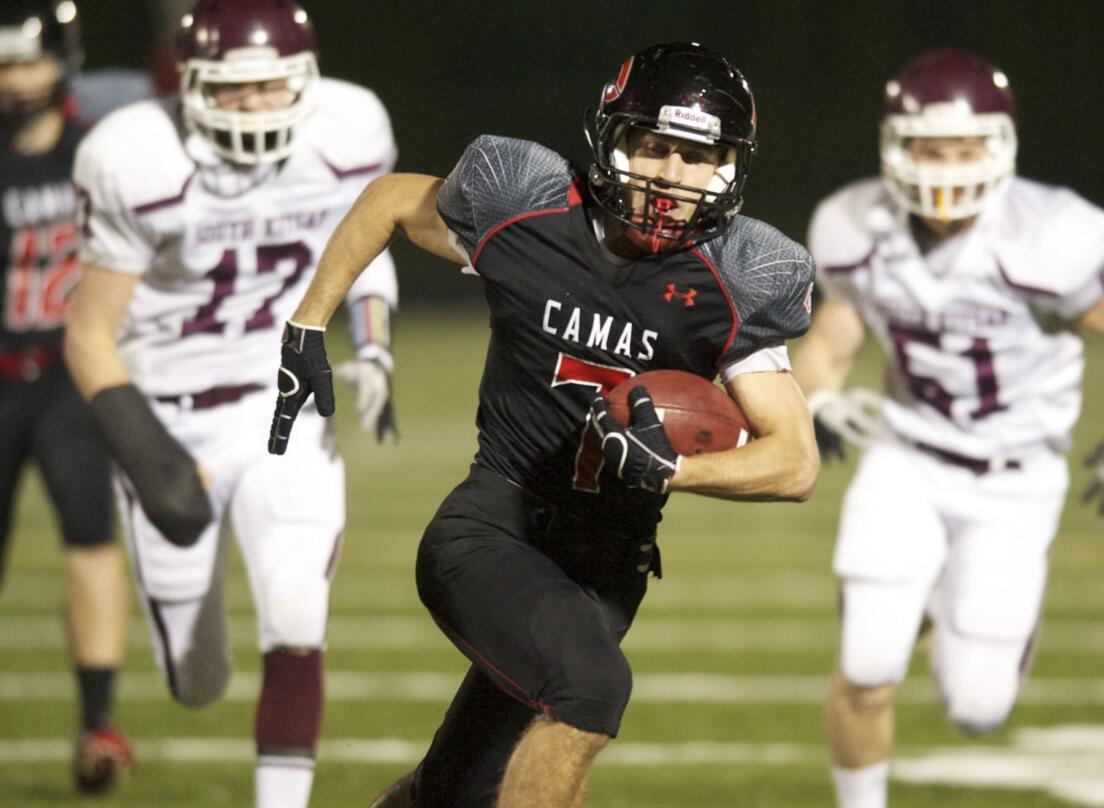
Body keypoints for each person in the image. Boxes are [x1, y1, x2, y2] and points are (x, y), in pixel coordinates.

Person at [269, 41, 819, 808]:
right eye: (653, 146)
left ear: (729, 167)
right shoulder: (528, 206)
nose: (670, 174)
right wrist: (306, 324)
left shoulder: (737, 276)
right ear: (612, 138)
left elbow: (794, 462)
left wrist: (673, 470)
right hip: (494, 526)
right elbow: (391, 199)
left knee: (453, 791)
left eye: (696, 156)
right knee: (589, 691)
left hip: (608, 568)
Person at [790, 49, 1104, 808]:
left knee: (977, 708)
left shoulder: (1047, 231)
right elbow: (830, 343)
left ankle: (953, 600)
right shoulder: (855, 223)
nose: (946, 169)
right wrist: (818, 398)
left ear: (1000, 147)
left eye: (964, 149)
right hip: (908, 457)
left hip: (1015, 477)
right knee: (865, 662)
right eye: (931, 148)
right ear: (896, 144)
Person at [63, 1, 399, 805]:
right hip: (169, 413)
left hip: (280, 400)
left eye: (273, 86)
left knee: (295, 610)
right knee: (196, 679)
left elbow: (370, 239)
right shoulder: (134, 156)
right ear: (191, 83)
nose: (255, 106)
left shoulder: (346, 131)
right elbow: (86, 334)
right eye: (233, 89)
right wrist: (149, 455)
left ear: (305, 80)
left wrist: (376, 344)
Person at [0, 0, 135, 793]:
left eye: (28, 62)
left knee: (90, 540)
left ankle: (98, 723)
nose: (17, 81)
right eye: (6, 66)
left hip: (65, 379)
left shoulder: (100, 156)